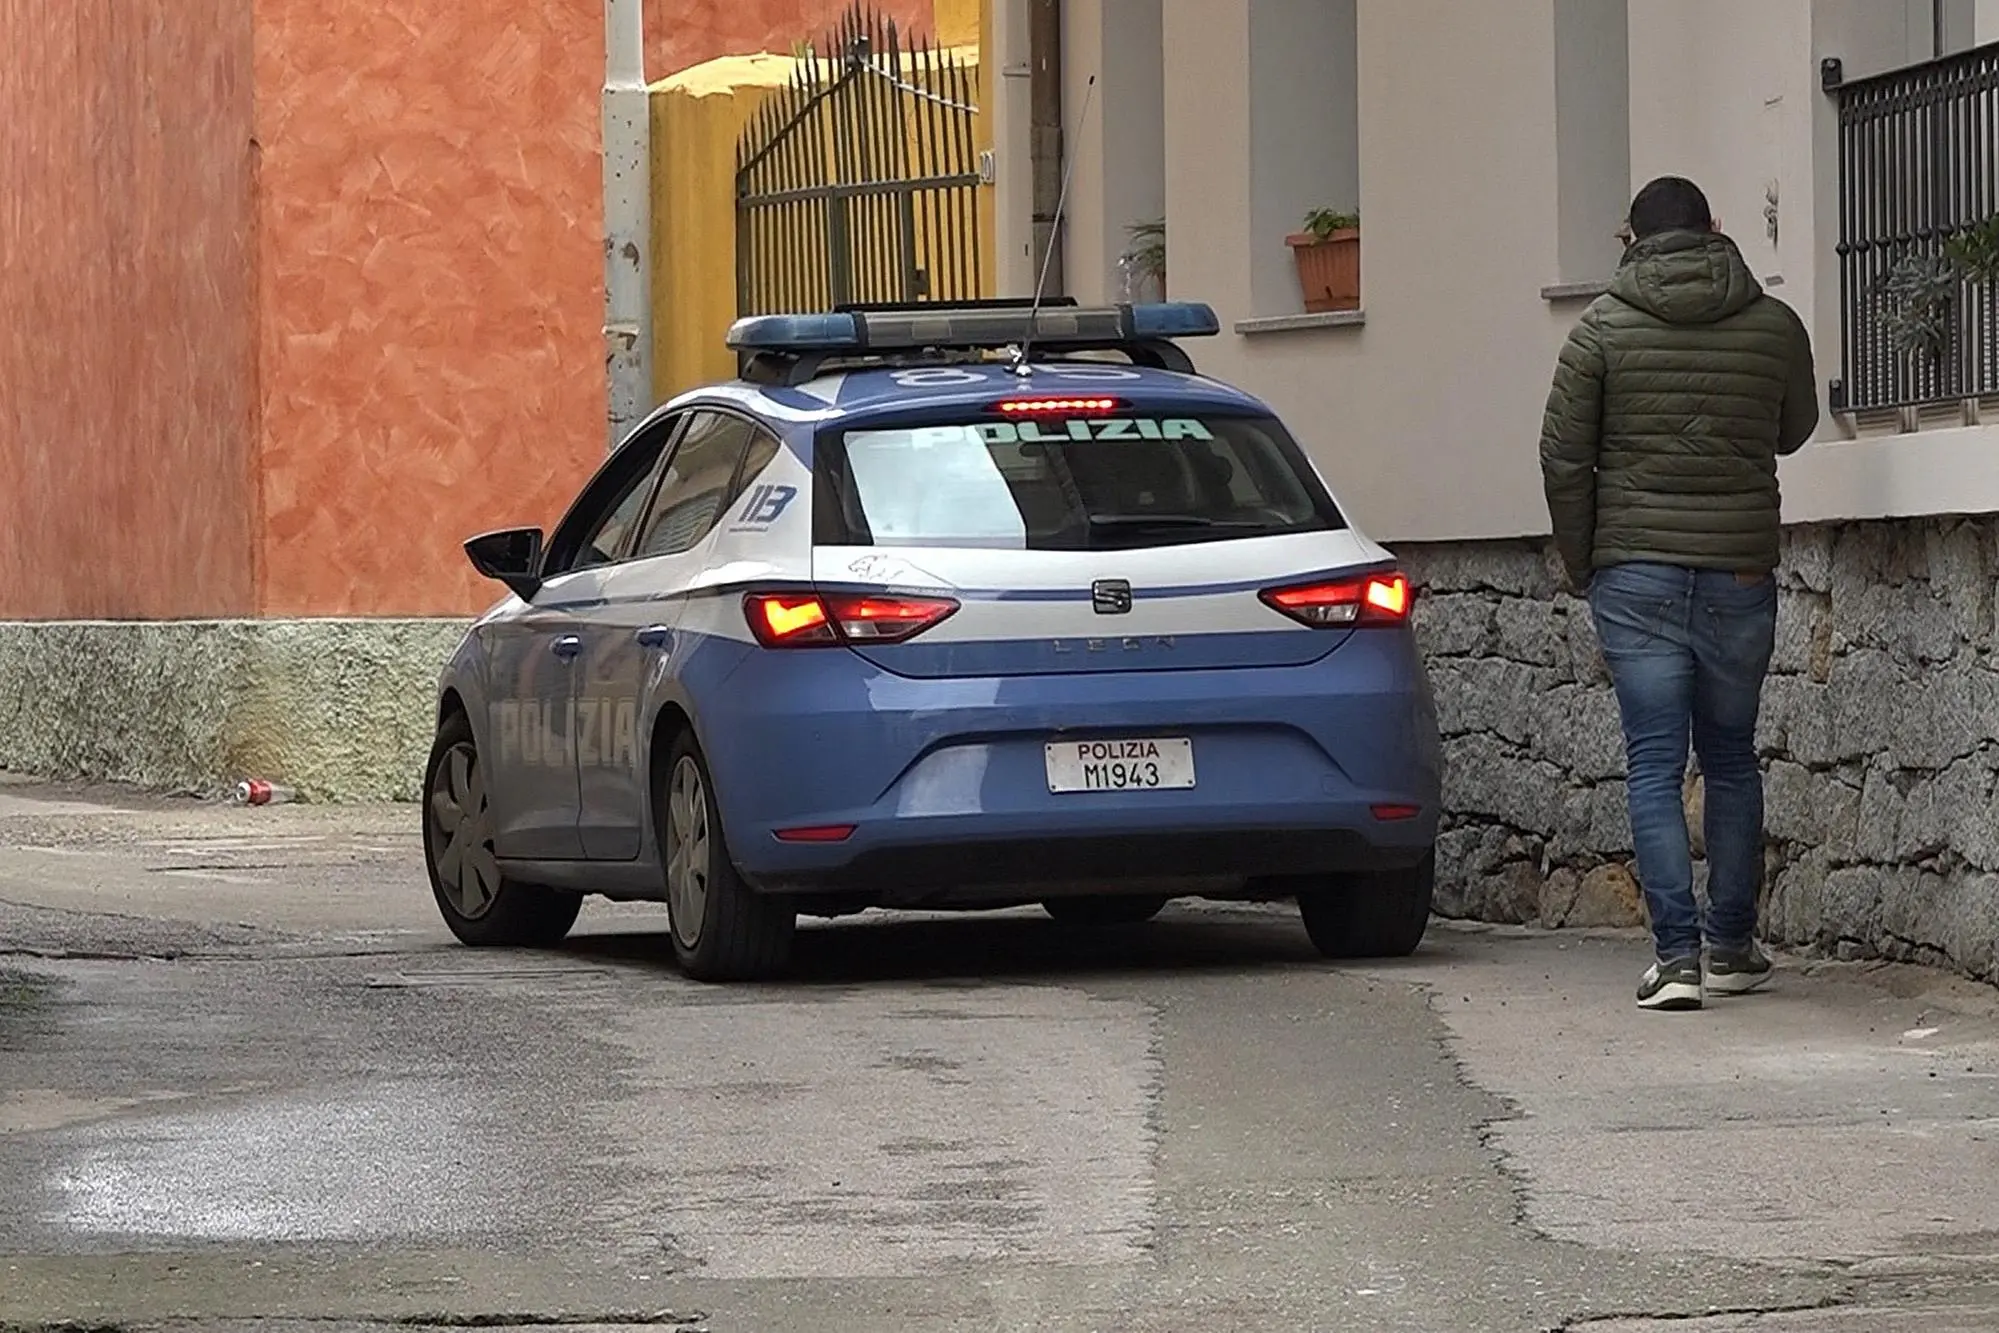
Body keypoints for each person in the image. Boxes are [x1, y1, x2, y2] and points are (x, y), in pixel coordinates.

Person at [1538, 176, 1819, 1012]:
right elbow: (1794, 429)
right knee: (1729, 756)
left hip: (1635, 573)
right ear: (1716, 230)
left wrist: (1585, 563)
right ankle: (1732, 943)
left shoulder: (1596, 334)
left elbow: (1561, 459)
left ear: (1628, 240)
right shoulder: (1773, 326)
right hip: (1737, 568)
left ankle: (1676, 959)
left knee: (1653, 765)